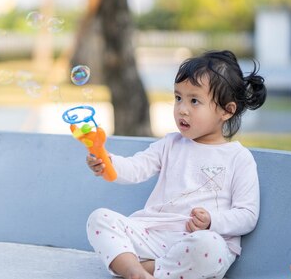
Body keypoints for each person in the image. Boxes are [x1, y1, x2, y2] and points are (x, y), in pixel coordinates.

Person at [85, 50, 267, 279]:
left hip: (197, 243)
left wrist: (212, 221)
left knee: (208, 247)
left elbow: (247, 215)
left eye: (194, 101)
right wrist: (108, 162)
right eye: (178, 97)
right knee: (99, 219)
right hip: (153, 234)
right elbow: (136, 167)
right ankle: (135, 272)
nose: (182, 108)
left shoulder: (238, 158)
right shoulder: (170, 144)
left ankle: (148, 270)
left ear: (226, 110)